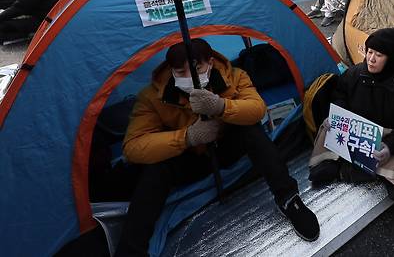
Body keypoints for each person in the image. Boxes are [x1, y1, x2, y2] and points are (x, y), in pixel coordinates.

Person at [115, 38, 319, 255]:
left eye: (195, 68)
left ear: (210, 63)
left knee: (250, 129)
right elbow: (132, 147)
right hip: (189, 158)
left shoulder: (235, 76)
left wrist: (222, 106)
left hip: (227, 148)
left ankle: (288, 198)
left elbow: (257, 109)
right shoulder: (153, 96)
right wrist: (187, 137)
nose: (188, 77)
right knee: (155, 170)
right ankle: (131, 249)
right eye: (179, 71)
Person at [308, 27, 394, 198]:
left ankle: (350, 170)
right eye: (369, 52)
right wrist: (339, 116)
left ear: (392, 59)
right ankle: (336, 165)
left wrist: (391, 146)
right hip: (358, 131)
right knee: (327, 124)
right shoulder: (355, 74)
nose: (371, 59)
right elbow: (339, 95)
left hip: (389, 136)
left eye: (379, 55)